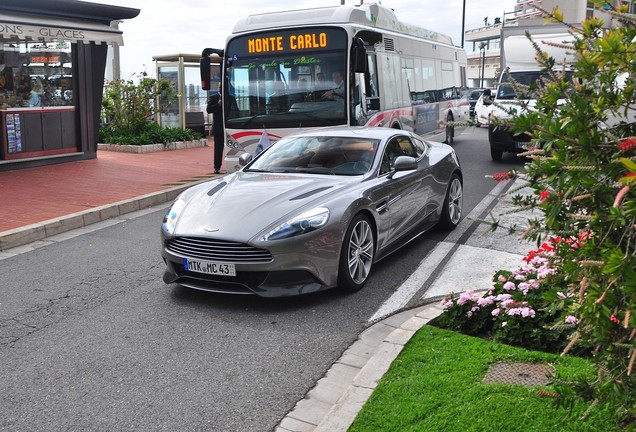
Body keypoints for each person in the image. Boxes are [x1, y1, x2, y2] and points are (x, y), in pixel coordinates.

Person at [207, 82, 224, 174]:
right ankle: (217, 167)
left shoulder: (230, 97)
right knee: (218, 148)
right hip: (218, 127)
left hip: (229, 125)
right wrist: (218, 105)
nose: (221, 88)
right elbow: (208, 110)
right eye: (220, 87)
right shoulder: (214, 98)